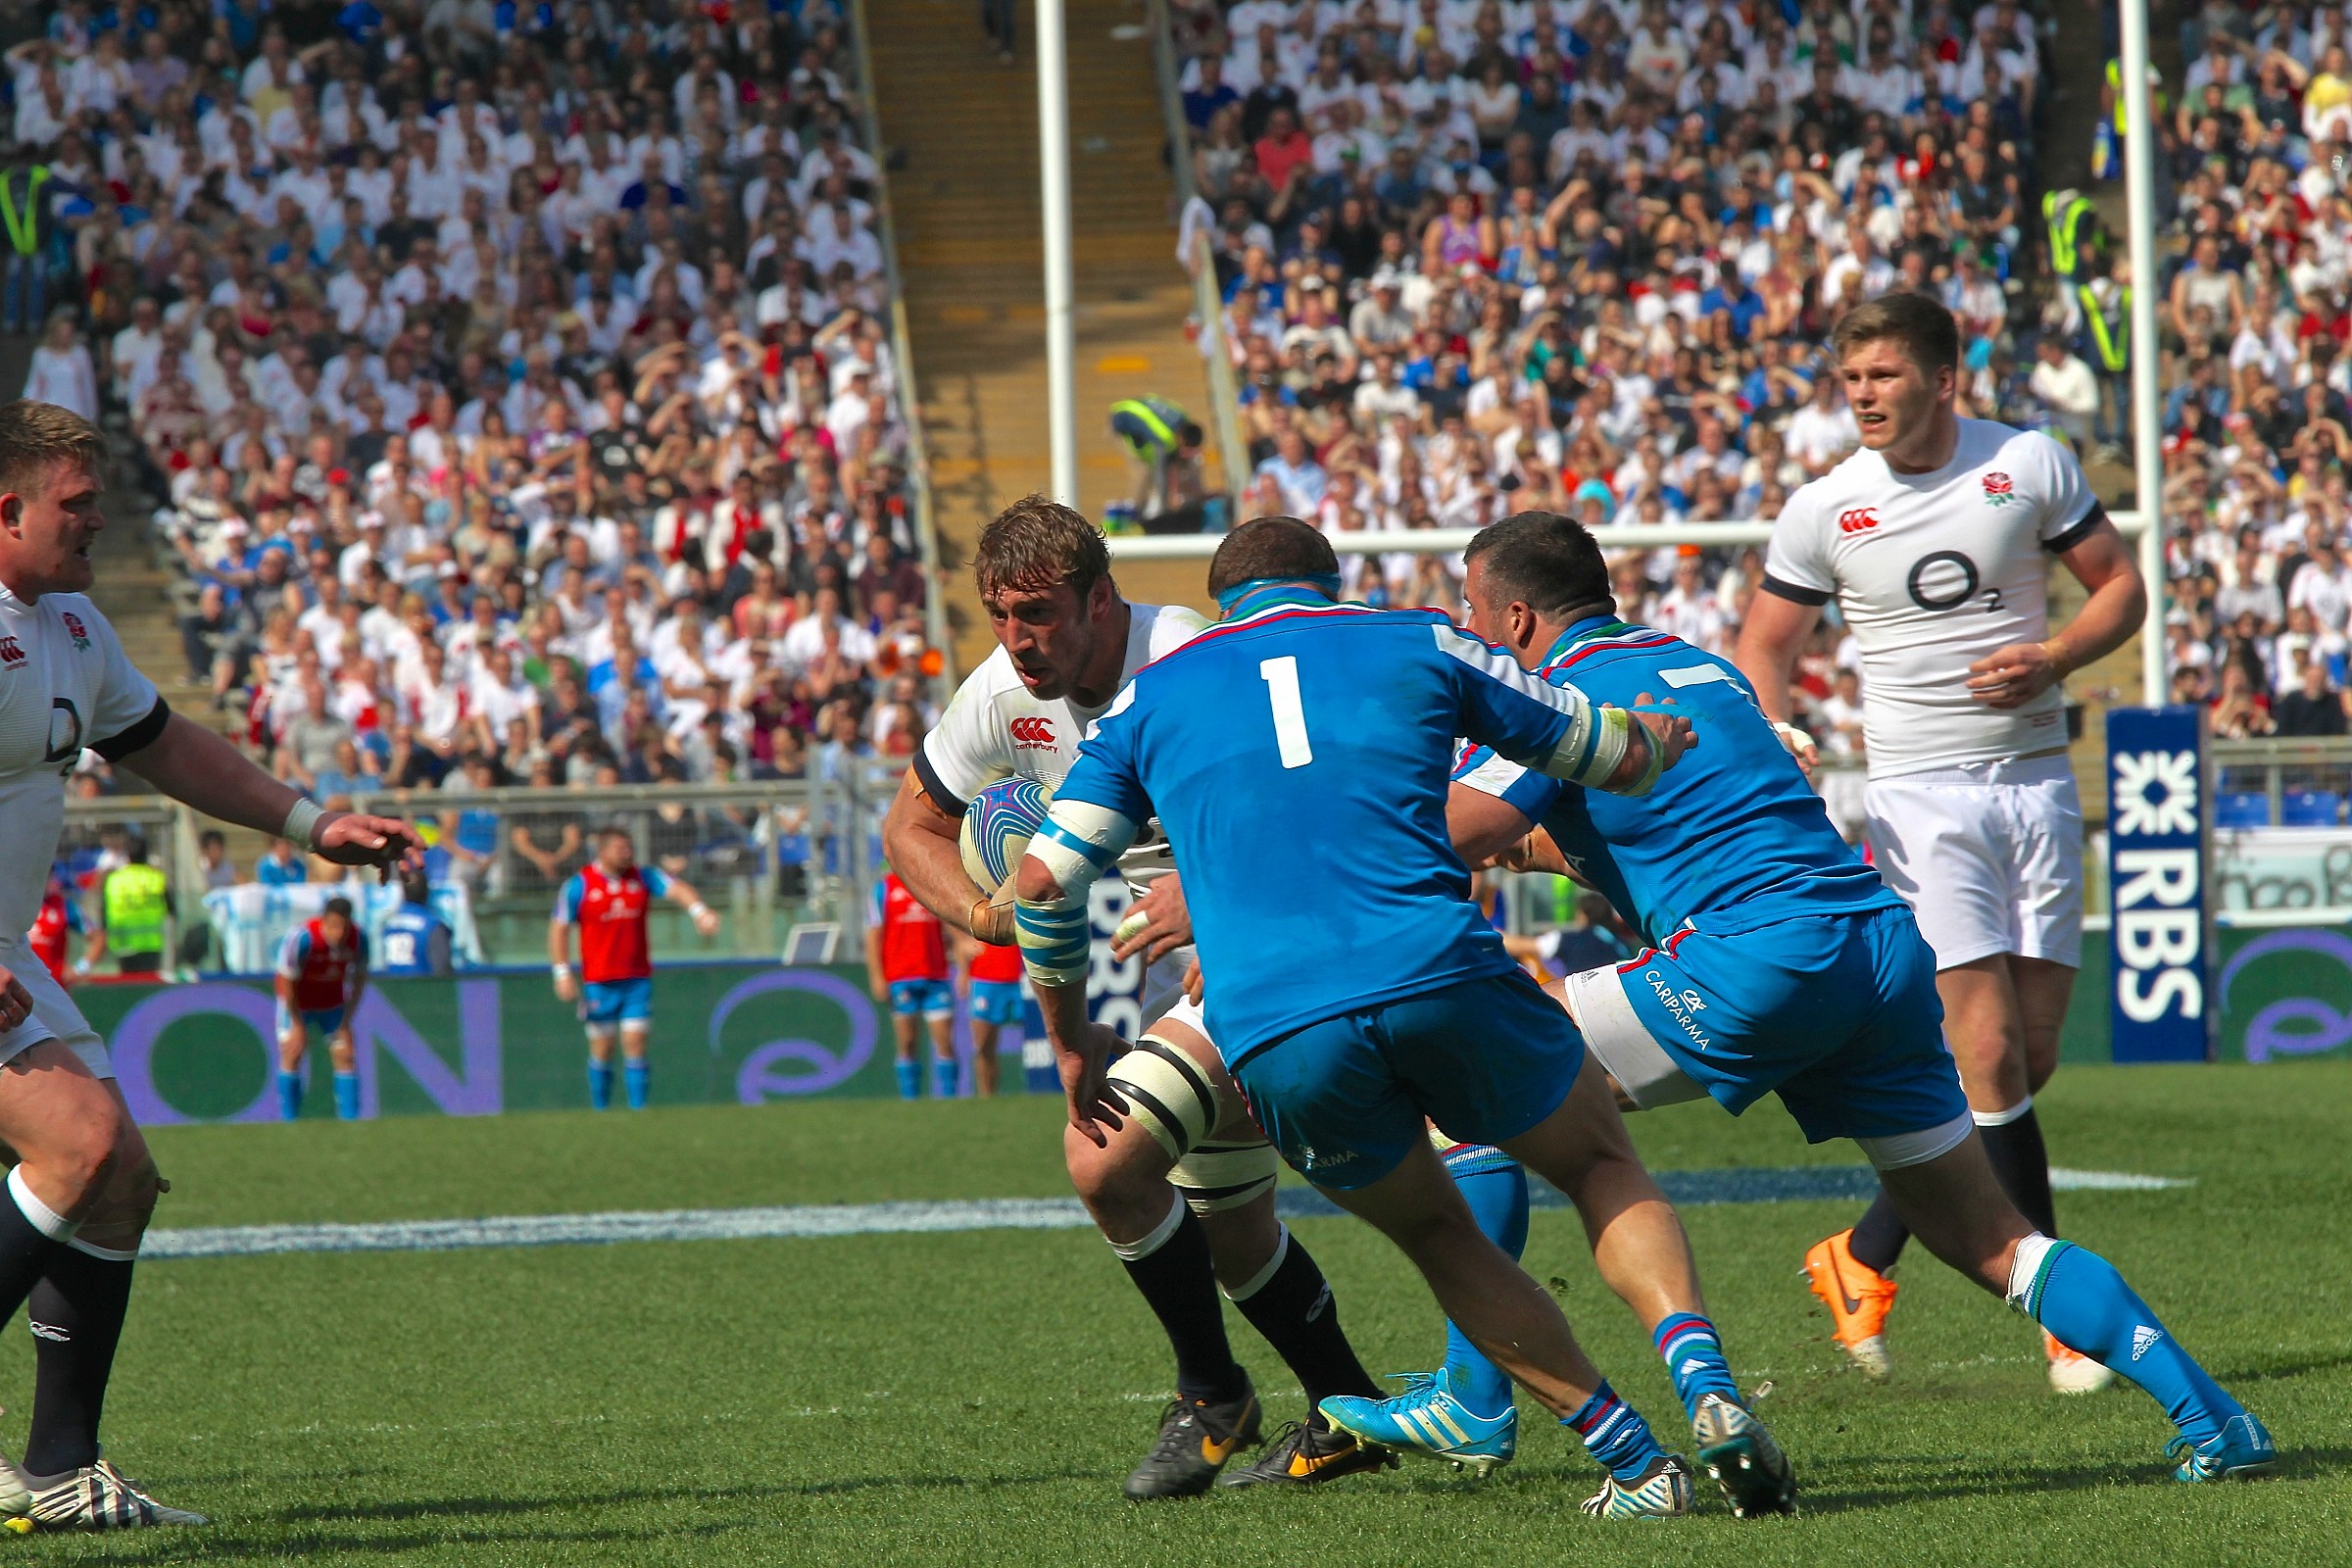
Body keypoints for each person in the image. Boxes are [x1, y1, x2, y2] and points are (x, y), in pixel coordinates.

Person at [1448, 509, 2273, 1485]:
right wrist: (1527, 840)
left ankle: (1476, 1401)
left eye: (1469, 610)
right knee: (1991, 1236)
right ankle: (2215, 1418)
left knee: (1465, 1085)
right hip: (1875, 950)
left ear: (1515, 616)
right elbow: (1659, 828)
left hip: (1756, 957)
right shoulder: (1699, 668)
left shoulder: (1551, 693)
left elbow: (1452, 830)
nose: (1467, 628)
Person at [1014, 516, 1757, 1520]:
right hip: (1434, 969)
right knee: (1595, 1161)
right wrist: (1654, 742)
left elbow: (1041, 886)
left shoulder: (1149, 700)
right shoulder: (1415, 635)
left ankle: (1636, 1465)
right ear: (1329, 586)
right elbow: (1595, 746)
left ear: (1222, 602)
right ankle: (1706, 1383)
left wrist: (1069, 1039)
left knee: (1445, 1238)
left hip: (1275, 1029)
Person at [880, 497, 1395, 1496]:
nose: (1021, 640)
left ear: (1103, 599)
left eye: (1040, 613)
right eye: (1001, 614)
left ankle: (1214, 1393)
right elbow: (910, 828)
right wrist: (988, 917)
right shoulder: (1001, 692)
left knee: (1103, 1158)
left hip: (1282, 943)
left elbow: (1299, 788)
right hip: (1191, 972)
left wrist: (1214, 895)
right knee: (1231, 1219)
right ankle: (1348, 1408)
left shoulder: (1192, 655)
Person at [0, 398, 419, 1527]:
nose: (98, 524)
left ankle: (55, 1471)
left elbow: (162, 743)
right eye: (77, 506)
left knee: (120, 1181)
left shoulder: (73, 629)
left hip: (9, 955)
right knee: (78, 1143)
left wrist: (313, 825)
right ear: (8, 509)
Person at [1734, 292, 2148, 1394]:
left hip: (2038, 784)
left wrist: (2054, 657)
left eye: (1882, 375)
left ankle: (1861, 1254)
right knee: (1988, 1053)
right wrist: (1774, 726)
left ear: (1941, 378)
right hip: (1917, 795)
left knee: (2030, 1056)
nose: (1861, 395)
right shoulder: (1826, 508)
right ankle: (2070, 1320)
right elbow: (1765, 641)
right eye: (1851, 378)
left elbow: (2123, 588)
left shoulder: (2030, 463)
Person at [549, 826, 719, 1111]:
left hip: (637, 978)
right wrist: (562, 971)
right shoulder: (580, 885)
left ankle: (638, 1111)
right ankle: (600, 1111)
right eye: (620, 849)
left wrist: (699, 912)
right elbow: (558, 928)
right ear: (602, 852)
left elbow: (677, 888)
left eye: (629, 848)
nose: (627, 853)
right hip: (598, 980)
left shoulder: (643, 877)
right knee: (603, 1048)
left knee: (635, 1041)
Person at [273, 895, 368, 1121]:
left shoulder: (358, 939)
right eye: (333, 926)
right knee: (292, 1052)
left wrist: (346, 1021)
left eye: (343, 927)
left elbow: (359, 980)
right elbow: (286, 982)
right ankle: (289, 1121)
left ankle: (351, 1121)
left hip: (332, 1004)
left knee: (345, 1054)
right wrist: (297, 1025)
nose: (338, 933)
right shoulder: (303, 938)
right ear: (324, 921)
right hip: (297, 1004)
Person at [866, 865, 956, 1100]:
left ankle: (950, 1098)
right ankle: (911, 1099)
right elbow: (874, 935)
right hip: (900, 976)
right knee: (907, 1041)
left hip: (935, 975)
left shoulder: (932, 886)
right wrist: (877, 976)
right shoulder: (884, 889)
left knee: (944, 1040)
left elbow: (950, 925)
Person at [956, 931, 1023, 1098]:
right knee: (983, 1044)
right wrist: (961, 945)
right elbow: (954, 916)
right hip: (985, 977)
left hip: (1022, 975)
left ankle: (1056, 1090)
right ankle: (987, 1098)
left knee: (1047, 1035)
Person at [87, 838, 167, 975]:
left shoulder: (114, 879)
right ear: (146, 854)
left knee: (128, 986)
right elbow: (171, 909)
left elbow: (104, 912)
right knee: (149, 988)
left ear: (128, 855)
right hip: (151, 945)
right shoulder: (156, 877)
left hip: (123, 943)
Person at [375, 871, 453, 978]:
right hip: (423, 988)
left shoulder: (388, 924)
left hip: (392, 989)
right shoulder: (432, 925)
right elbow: (442, 967)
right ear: (426, 891)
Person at [26, 873, 85, 983]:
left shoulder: (64, 906)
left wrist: (80, 969)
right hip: (19, 985)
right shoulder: (14, 907)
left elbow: (97, 937)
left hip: (53, 984)